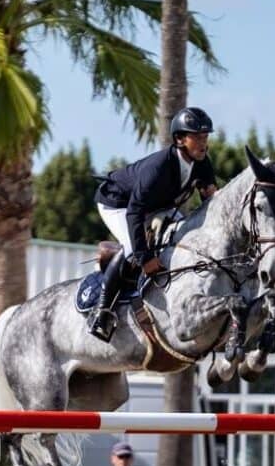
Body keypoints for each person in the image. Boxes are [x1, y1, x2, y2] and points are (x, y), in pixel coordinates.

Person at [89, 107, 220, 341]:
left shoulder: (202, 162)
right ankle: (102, 311)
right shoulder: (158, 168)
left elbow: (212, 198)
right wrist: (145, 257)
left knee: (186, 235)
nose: (204, 142)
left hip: (155, 206)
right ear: (180, 139)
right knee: (132, 249)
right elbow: (134, 213)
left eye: (206, 137)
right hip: (119, 203)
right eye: (198, 137)